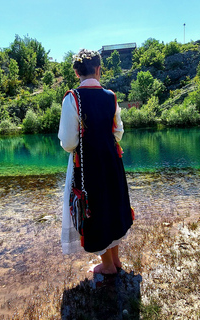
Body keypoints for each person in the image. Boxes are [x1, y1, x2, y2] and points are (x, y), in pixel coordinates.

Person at [58, 49, 134, 274]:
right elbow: (118, 131)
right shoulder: (111, 96)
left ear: (76, 71)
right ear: (99, 69)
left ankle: (108, 265)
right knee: (113, 204)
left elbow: (69, 143)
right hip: (112, 161)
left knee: (94, 208)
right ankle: (116, 260)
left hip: (87, 165)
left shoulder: (73, 98)